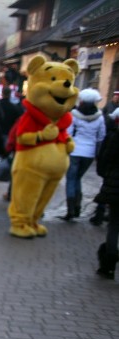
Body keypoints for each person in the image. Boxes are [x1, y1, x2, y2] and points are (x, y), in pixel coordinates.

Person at [61, 88, 106, 221]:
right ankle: (77, 206)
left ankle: (71, 209)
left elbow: (68, 132)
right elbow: (101, 136)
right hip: (89, 152)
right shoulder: (99, 117)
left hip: (75, 150)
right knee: (78, 178)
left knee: (71, 178)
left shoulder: (74, 114)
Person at [94, 108, 119, 279]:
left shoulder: (115, 136)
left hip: (115, 185)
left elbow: (105, 159)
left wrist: (107, 176)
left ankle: (109, 264)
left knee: (114, 224)